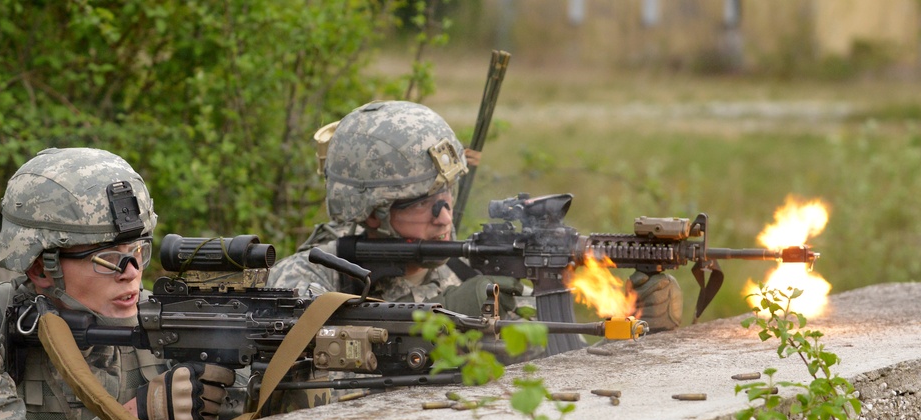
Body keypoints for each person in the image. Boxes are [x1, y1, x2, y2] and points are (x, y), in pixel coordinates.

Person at [0, 147, 235, 420]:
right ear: (42, 267)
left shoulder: (165, 319)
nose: (131, 272)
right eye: (108, 259)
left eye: (139, 251)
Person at [266, 100, 682, 331]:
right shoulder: (307, 281)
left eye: (447, 192)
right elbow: (311, 387)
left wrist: (637, 324)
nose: (444, 215)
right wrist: (443, 319)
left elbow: (552, 376)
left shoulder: (462, 273)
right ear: (372, 213)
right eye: (422, 202)